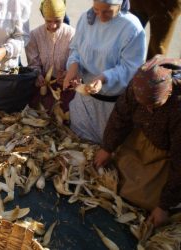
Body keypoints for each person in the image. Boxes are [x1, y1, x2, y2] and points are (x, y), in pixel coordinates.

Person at [94, 55, 181, 228]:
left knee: (147, 198)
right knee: (117, 180)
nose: (148, 109)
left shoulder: (178, 107)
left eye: (154, 105)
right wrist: (107, 147)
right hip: (142, 137)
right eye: (144, 105)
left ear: (169, 93)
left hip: (167, 153)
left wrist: (164, 205)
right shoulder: (137, 86)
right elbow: (120, 116)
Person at [63, 0, 146, 144]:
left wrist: (104, 78)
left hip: (111, 108)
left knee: (106, 148)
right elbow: (76, 49)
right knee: (79, 147)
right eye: (96, 10)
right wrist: (74, 67)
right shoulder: (85, 19)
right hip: (83, 103)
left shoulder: (132, 28)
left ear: (120, 5)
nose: (100, 16)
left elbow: (130, 68)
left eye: (107, 11)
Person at [26, 0, 75, 114]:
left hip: (66, 87)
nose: (53, 26)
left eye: (58, 21)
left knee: (64, 117)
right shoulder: (35, 35)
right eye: (48, 21)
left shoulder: (72, 34)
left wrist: (69, 73)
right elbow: (33, 64)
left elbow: (76, 61)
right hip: (43, 86)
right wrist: (37, 75)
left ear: (63, 16)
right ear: (43, 17)